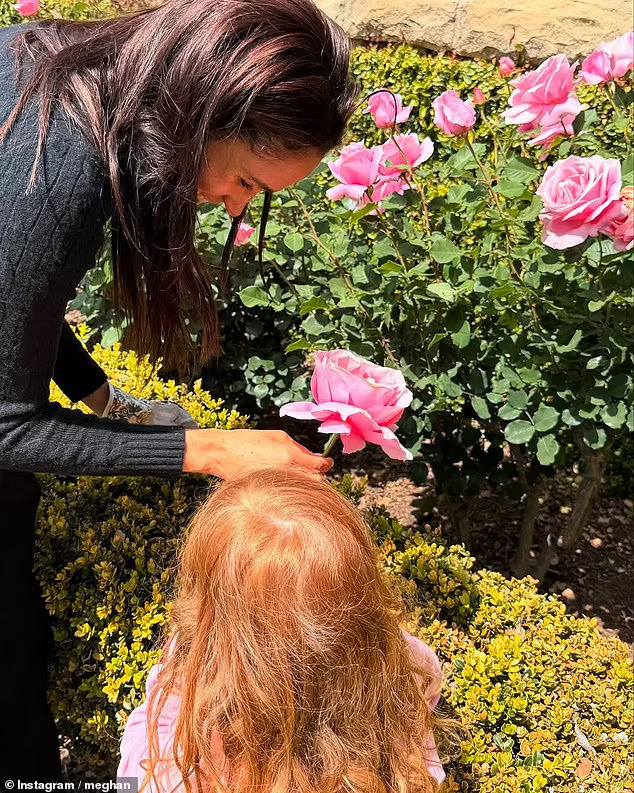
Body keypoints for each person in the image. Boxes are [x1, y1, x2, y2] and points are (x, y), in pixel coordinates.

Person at [0, 0, 358, 776]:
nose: (236, 206)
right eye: (245, 180)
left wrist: (102, 399)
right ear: (204, 112)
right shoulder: (58, 174)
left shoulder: (47, 62)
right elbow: (4, 427)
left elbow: (11, 304)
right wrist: (207, 449)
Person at [117, 469, 448, 792]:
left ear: (207, 608)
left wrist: (179, 667)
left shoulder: (173, 761)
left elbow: (136, 764)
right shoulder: (411, 668)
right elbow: (425, 767)